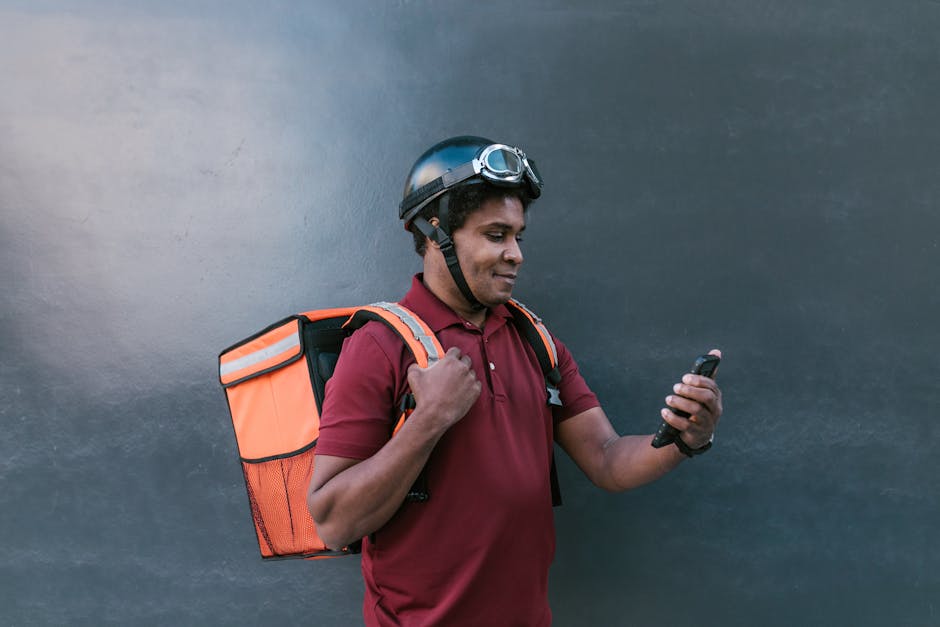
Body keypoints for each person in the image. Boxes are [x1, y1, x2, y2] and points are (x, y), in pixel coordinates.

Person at [307, 136, 724, 626]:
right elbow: (333, 522)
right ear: (434, 233)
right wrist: (430, 419)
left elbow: (608, 461)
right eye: (495, 235)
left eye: (518, 236)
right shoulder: (379, 346)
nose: (516, 254)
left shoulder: (534, 339)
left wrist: (684, 439)